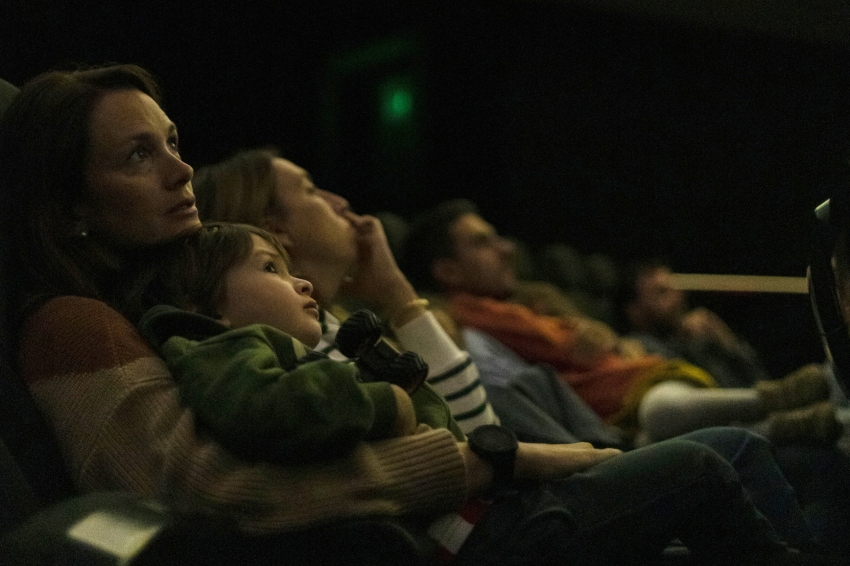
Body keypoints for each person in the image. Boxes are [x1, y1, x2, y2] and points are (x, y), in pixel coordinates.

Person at [0, 63, 810, 565]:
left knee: (729, 462)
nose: (182, 170)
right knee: (716, 460)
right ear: (70, 202)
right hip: (424, 533)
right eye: (139, 155)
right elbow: (212, 495)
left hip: (444, 518)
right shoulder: (76, 322)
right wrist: (485, 463)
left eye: (172, 140)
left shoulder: (168, 305)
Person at [401, 199, 844, 448]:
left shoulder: (533, 302)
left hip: (623, 390)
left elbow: (591, 345)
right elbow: (573, 350)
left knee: (667, 417)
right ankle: (795, 410)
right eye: (482, 243)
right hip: (600, 410)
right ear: (448, 271)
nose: (506, 249)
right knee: (665, 419)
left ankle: (799, 405)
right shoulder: (460, 320)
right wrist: (583, 335)